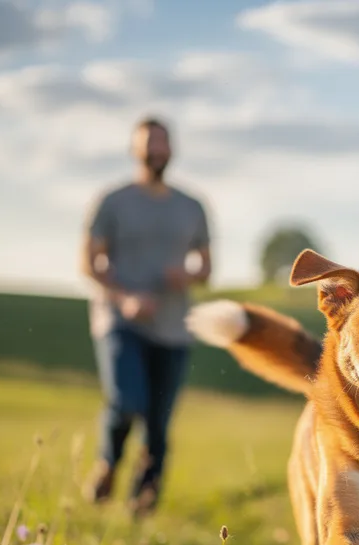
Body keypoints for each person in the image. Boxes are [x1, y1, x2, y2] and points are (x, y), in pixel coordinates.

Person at [80, 116, 211, 516]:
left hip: (172, 328)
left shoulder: (192, 206)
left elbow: (205, 269)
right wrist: (125, 298)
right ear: (135, 150)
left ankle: (144, 503)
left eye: (162, 144)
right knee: (126, 400)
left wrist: (185, 274)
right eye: (148, 144)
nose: (156, 151)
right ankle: (108, 463)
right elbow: (89, 262)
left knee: (158, 423)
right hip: (121, 321)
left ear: (171, 150)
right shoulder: (113, 201)